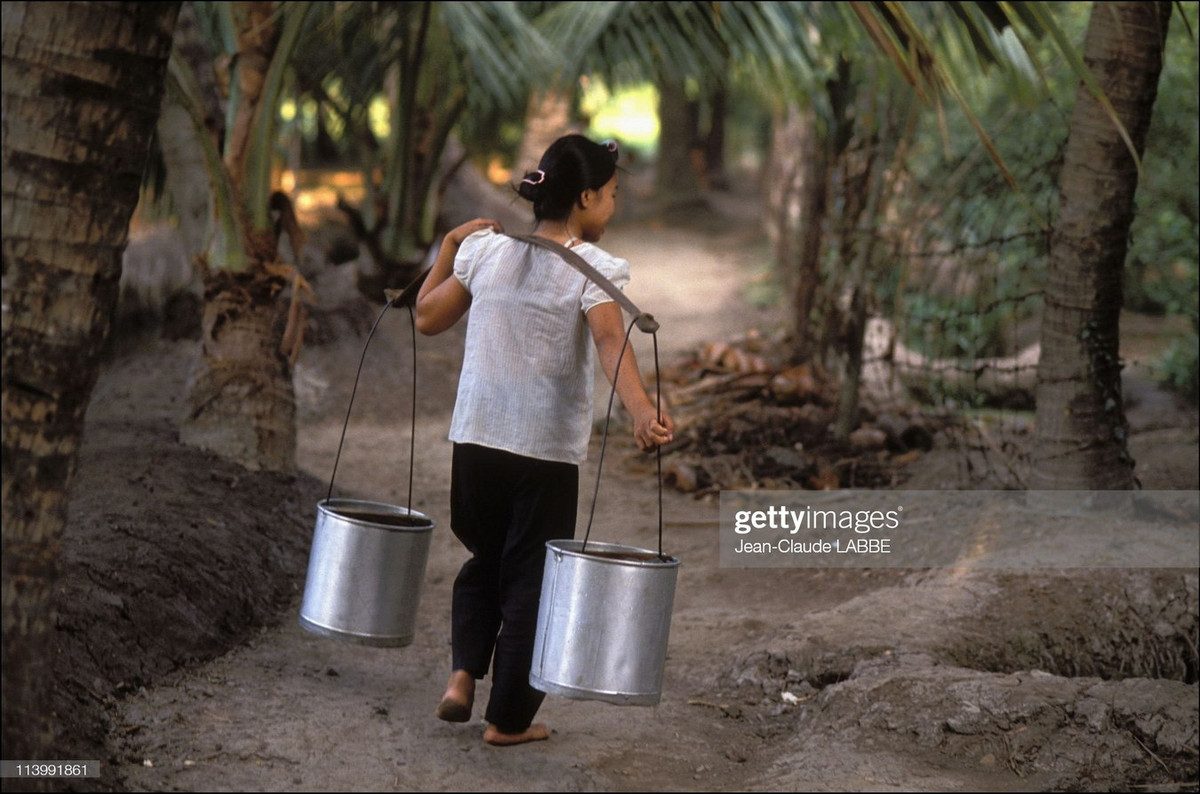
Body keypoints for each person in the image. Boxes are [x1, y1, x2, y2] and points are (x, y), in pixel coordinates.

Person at [414, 134, 674, 746]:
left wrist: (450, 245)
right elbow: (612, 343)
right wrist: (640, 411)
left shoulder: (483, 252)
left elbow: (425, 316)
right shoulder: (594, 269)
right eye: (610, 196)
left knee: (485, 560)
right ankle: (507, 720)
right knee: (532, 579)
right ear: (584, 198)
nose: (612, 207)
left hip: (475, 442)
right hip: (544, 454)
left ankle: (461, 676)